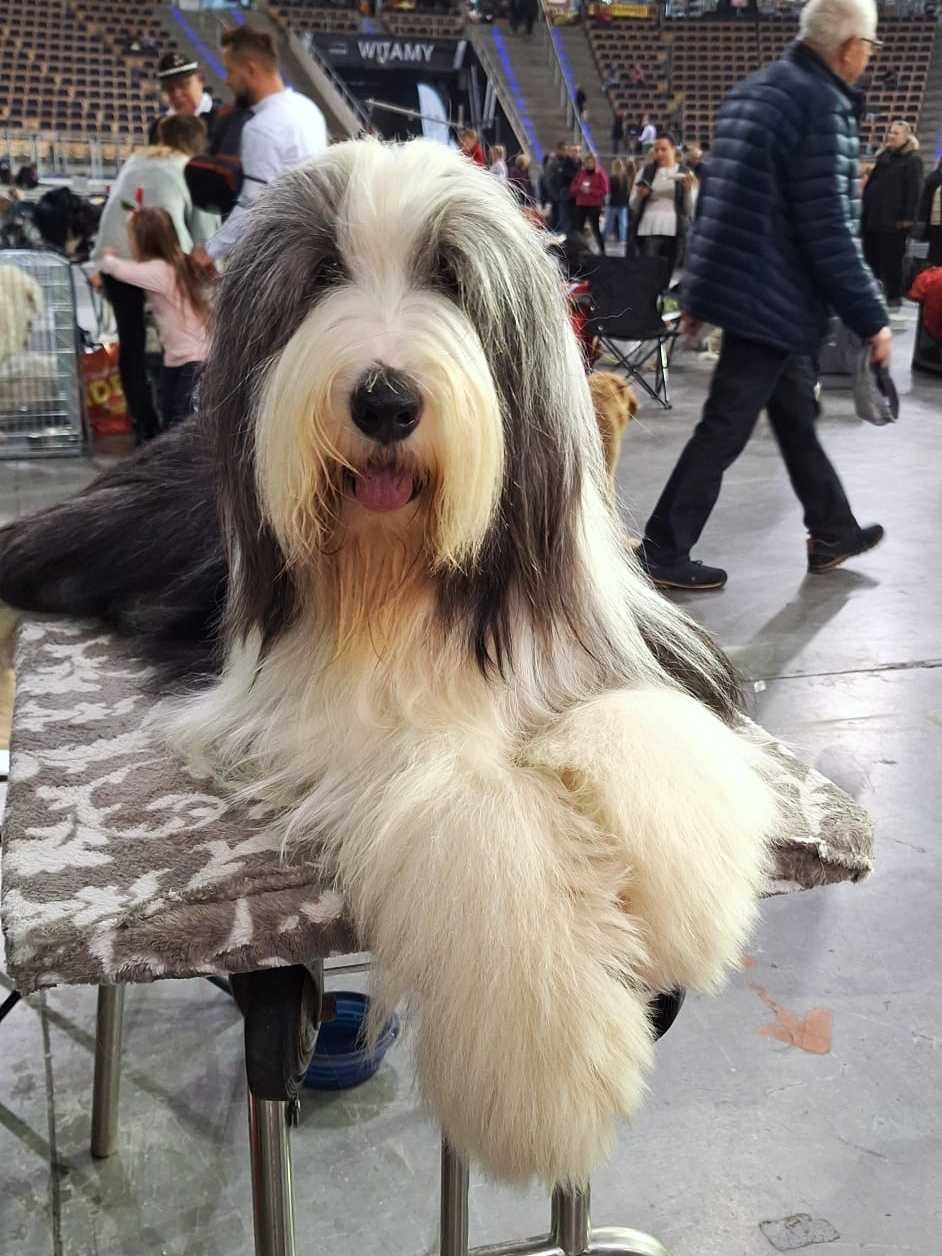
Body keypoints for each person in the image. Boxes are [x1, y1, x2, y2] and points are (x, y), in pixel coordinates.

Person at [639, 0, 889, 591]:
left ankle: (831, 528)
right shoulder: (821, 107)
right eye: (868, 48)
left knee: (796, 415)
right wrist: (871, 317)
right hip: (773, 299)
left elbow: (719, 202)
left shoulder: (755, 92)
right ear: (851, 45)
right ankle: (663, 549)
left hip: (753, 291)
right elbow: (828, 228)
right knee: (725, 425)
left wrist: (699, 290)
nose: (868, 59)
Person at [91, 115, 216, 444]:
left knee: (130, 343)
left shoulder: (135, 160)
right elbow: (204, 225)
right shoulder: (191, 167)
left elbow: (113, 213)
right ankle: (180, 425)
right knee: (179, 328)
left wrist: (102, 263)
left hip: (116, 255)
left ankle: (144, 426)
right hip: (167, 258)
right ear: (196, 142)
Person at [198, 27, 327, 268]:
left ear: (249, 69)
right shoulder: (309, 108)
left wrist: (208, 251)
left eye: (230, 71)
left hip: (279, 257)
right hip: (315, 247)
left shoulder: (261, 126)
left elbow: (252, 205)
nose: (227, 80)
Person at [99, 208, 210, 432]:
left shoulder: (159, 271)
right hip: (182, 358)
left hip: (191, 361)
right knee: (173, 420)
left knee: (179, 426)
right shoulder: (179, 262)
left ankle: (184, 466)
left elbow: (118, 269)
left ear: (143, 240)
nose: (129, 243)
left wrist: (107, 256)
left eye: (131, 237)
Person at [862, 120, 924, 307]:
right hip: (873, 217)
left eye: (896, 133)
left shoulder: (913, 160)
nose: (891, 136)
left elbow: (915, 191)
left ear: (907, 137)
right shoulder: (884, 157)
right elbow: (872, 185)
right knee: (871, 257)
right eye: (890, 132)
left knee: (892, 260)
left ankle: (893, 296)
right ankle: (872, 293)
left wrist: (907, 219)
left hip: (895, 221)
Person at [629, 134, 693, 278]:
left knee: (667, 276)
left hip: (674, 231)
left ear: (673, 150)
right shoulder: (645, 172)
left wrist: (688, 191)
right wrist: (640, 195)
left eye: (663, 149)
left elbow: (689, 210)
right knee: (647, 274)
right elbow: (633, 205)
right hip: (648, 229)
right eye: (656, 150)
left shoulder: (686, 173)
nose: (659, 153)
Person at [570, 153, 608, 252]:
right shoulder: (580, 173)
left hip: (594, 205)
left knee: (595, 229)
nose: (589, 164)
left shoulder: (600, 173)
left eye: (591, 162)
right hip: (581, 204)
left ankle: (602, 250)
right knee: (579, 229)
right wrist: (580, 188)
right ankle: (581, 249)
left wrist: (590, 191)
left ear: (595, 163)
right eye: (587, 162)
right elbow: (573, 188)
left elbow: (604, 191)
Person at [915, 157, 942, 266]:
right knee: (934, 257)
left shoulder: (932, 178)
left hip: (933, 224)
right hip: (934, 226)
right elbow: (924, 204)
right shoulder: (933, 179)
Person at [604, 157, 634, 247]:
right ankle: (622, 239)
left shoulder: (612, 177)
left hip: (613, 203)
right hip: (623, 203)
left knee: (609, 223)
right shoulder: (625, 178)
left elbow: (609, 192)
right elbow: (628, 191)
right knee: (623, 223)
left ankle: (604, 238)